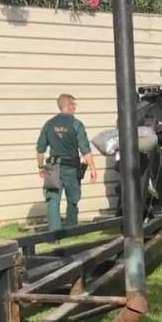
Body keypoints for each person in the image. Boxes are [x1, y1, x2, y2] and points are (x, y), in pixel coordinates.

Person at [35, 94, 97, 232]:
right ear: (69, 106)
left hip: (52, 167)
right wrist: (92, 168)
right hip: (71, 168)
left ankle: (53, 234)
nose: (75, 107)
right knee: (73, 198)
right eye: (74, 105)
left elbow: (40, 148)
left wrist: (40, 166)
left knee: (52, 200)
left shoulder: (49, 124)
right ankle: (71, 228)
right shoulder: (76, 124)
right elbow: (85, 148)